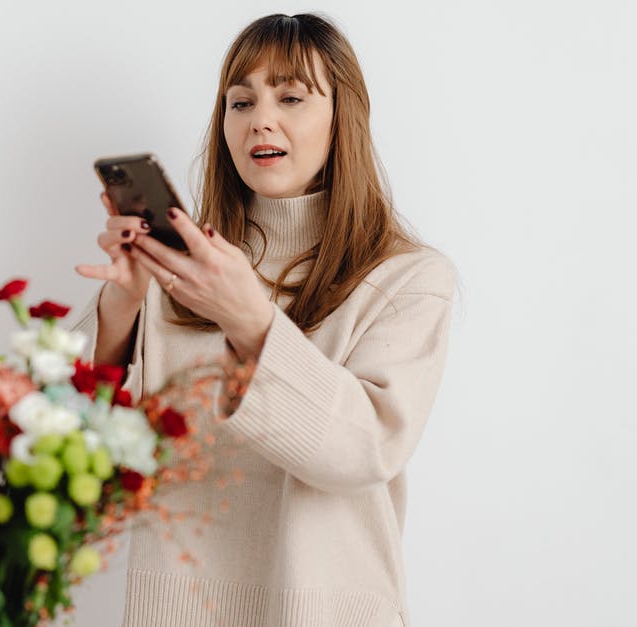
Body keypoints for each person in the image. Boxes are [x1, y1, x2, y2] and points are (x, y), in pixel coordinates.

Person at [72, 12, 459, 627]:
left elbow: (367, 449)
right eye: (240, 100)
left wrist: (250, 320)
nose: (260, 119)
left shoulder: (407, 279)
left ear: (344, 119)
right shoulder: (183, 268)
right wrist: (121, 308)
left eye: (291, 96)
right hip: (177, 612)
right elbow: (70, 450)